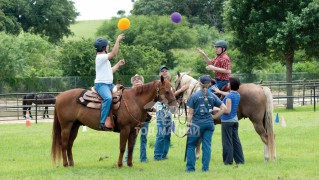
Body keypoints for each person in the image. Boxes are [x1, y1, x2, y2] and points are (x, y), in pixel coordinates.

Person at [185, 74, 227, 172]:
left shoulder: (194, 96)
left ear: (199, 83)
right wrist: (215, 117)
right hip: (209, 124)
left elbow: (190, 114)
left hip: (197, 124)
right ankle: (205, 169)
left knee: (191, 145)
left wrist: (188, 126)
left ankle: (190, 168)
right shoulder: (212, 95)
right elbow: (224, 108)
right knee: (207, 146)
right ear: (208, 84)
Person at [94, 34, 125, 130]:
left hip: (109, 84)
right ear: (104, 47)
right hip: (101, 85)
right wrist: (117, 40)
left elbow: (110, 71)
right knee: (108, 98)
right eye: (107, 45)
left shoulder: (103, 58)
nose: (108, 46)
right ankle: (102, 122)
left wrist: (118, 64)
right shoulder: (100, 57)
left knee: (123, 94)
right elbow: (114, 54)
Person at [214, 77, 244, 165]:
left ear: (230, 85)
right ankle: (240, 160)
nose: (227, 84)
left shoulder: (229, 96)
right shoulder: (237, 95)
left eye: (228, 83)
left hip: (227, 121)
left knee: (227, 141)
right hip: (235, 121)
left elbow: (227, 110)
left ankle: (228, 161)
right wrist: (219, 92)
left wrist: (216, 108)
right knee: (236, 141)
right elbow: (228, 93)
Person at [124, 74, 153, 163]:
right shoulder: (129, 92)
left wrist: (150, 109)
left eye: (139, 79)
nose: (137, 80)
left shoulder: (146, 93)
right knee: (132, 139)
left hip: (145, 119)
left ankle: (143, 158)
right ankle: (127, 159)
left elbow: (151, 104)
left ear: (142, 82)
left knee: (144, 138)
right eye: (135, 79)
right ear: (132, 82)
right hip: (133, 120)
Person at [154, 65, 173, 161]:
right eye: (162, 71)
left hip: (169, 111)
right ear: (160, 73)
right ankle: (157, 155)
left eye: (166, 70)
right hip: (161, 110)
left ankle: (164, 155)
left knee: (168, 134)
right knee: (161, 134)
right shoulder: (158, 85)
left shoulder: (170, 85)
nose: (164, 72)